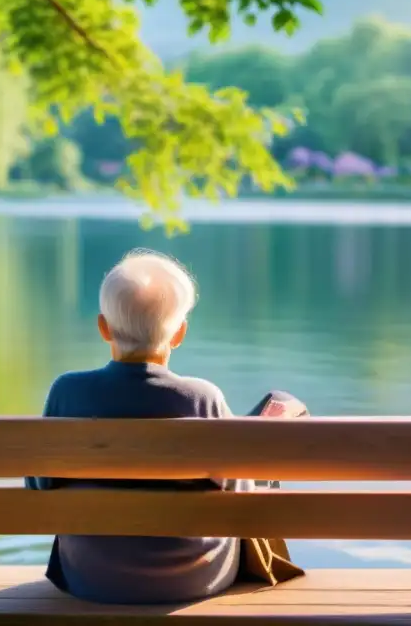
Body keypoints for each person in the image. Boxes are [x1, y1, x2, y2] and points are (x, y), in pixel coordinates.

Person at [27, 249, 306, 605]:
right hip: (195, 579)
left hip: (90, 578)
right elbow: (240, 499)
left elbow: (38, 484)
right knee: (276, 414)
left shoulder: (66, 393)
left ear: (102, 327)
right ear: (179, 334)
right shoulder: (202, 399)